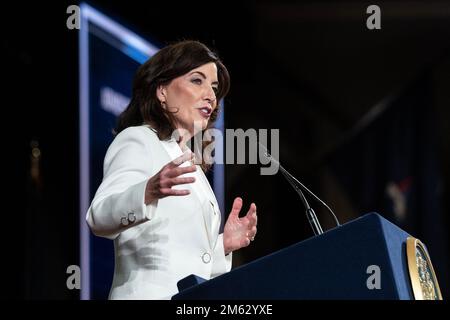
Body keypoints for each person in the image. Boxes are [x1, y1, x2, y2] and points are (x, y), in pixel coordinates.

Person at [86, 40, 258, 300]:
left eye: (214, 87)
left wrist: (223, 245)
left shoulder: (195, 169)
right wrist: (146, 191)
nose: (211, 95)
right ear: (162, 91)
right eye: (197, 81)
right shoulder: (138, 140)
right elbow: (98, 217)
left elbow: (188, 263)